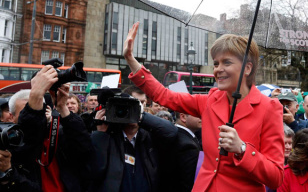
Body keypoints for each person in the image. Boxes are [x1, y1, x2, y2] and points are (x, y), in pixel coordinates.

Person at [123, 22, 285, 191]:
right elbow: (164, 96)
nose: (218, 69)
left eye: (226, 62)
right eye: (216, 64)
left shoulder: (269, 108)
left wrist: (242, 149)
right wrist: (131, 59)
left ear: (247, 68)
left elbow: (276, 177)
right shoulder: (209, 100)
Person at [6, 67, 93, 192]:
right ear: (11, 117)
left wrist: (62, 108)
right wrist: (36, 95)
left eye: (40, 110)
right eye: (28, 111)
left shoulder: (58, 133)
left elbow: (84, 150)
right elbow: (29, 136)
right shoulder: (9, 141)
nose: (38, 116)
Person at [90, 92, 178, 192]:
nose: (130, 112)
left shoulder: (150, 136)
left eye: (133, 107)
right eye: (125, 109)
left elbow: (171, 131)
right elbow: (95, 170)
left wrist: (141, 116)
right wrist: (100, 133)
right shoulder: (108, 138)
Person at [167, 111, 203, 192]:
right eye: (198, 114)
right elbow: (188, 183)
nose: (202, 118)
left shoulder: (174, 134)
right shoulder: (188, 146)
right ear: (183, 117)